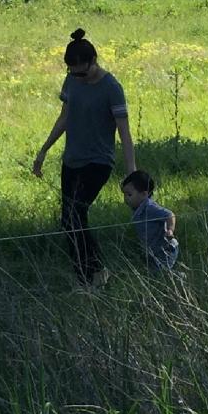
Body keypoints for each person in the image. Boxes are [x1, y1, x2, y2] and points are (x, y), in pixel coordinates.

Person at [32, 28, 134, 285]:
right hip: (72, 159)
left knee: (76, 213)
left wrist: (132, 172)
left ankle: (96, 272)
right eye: (72, 72)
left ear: (93, 62)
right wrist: (44, 151)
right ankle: (86, 276)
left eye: (82, 72)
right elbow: (64, 117)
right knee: (68, 221)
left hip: (98, 161)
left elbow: (124, 132)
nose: (78, 77)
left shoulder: (111, 87)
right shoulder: (72, 81)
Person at [119, 170, 178, 272]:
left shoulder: (150, 207)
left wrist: (170, 230)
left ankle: (180, 277)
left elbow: (170, 215)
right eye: (124, 194)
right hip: (153, 250)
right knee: (152, 270)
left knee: (161, 273)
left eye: (129, 195)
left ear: (144, 194)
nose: (125, 199)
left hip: (166, 249)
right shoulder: (138, 208)